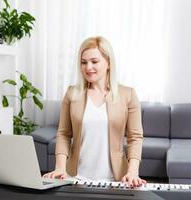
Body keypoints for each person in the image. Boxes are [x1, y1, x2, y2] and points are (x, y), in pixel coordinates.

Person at [43, 36, 146, 187]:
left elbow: (135, 137)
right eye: (83, 62)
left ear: (108, 62)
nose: (88, 67)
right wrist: (60, 167)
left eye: (94, 61)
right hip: (76, 178)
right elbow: (64, 134)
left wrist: (133, 171)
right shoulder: (72, 93)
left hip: (116, 180)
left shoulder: (128, 94)